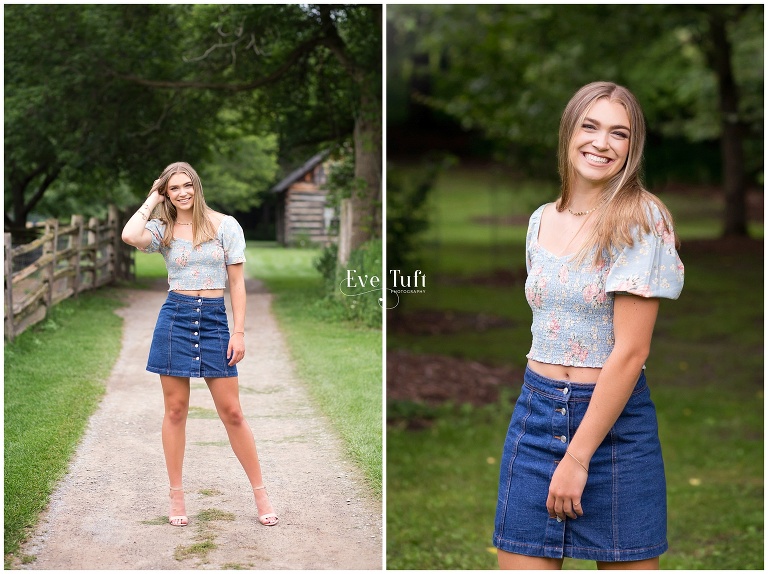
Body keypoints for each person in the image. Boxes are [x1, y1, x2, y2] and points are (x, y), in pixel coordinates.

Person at [493, 82, 684, 569]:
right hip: (535, 416)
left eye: (618, 133)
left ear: (631, 149)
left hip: (615, 429)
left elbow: (631, 352)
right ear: (569, 132)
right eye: (590, 126)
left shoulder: (641, 219)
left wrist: (577, 459)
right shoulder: (540, 220)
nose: (601, 142)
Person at [121, 162, 278, 527]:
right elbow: (130, 235)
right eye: (173, 188)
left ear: (197, 185)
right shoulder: (160, 229)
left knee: (233, 412)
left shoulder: (226, 226)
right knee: (175, 411)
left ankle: (260, 493)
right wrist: (151, 199)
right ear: (166, 193)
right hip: (175, 317)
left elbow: (237, 284)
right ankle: (176, 496)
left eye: (186, 185)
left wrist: (238, 332)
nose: (182, 193)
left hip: (213, 321)